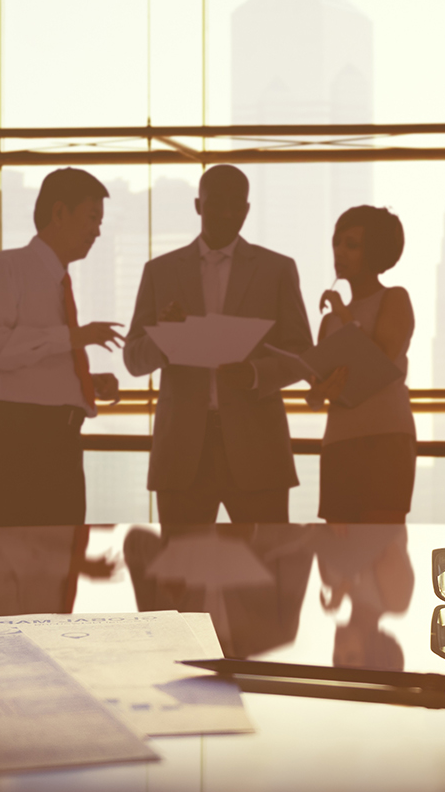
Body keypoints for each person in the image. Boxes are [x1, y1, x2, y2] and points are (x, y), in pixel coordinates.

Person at [124, 165, 313, 525]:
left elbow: (302, 352)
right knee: (180, 573)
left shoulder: (277, 269)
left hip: (257, 448)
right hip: (182, 451)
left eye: (235, 206)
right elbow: (133, 359)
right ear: (198, 205)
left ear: (247, 209)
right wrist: (166, 339)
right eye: (216, 204)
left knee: (265, 573)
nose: (227, 214)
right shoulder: (159, 272)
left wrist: (256, 373)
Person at [0, 168, 122, 527]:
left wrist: (81, 378)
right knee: (10, 562)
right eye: (92, 217)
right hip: (16, 438)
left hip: (59, 439)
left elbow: (27, 363)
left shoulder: (58, 278)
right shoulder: (7, 267)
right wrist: (72, 338)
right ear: (59, 214)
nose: (97, 230)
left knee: (62, 560)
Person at [306, 206, 416, 524]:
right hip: (339, 441)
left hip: (386, 439)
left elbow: (381, 362)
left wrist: (344, 314)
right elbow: (315, 397)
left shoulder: (394, 298)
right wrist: (320, 392)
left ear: (375, 252)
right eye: (337, 243)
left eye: (351, 245)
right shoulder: (329, 321)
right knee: (339, 560)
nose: (339, 252)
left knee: (383, 552)